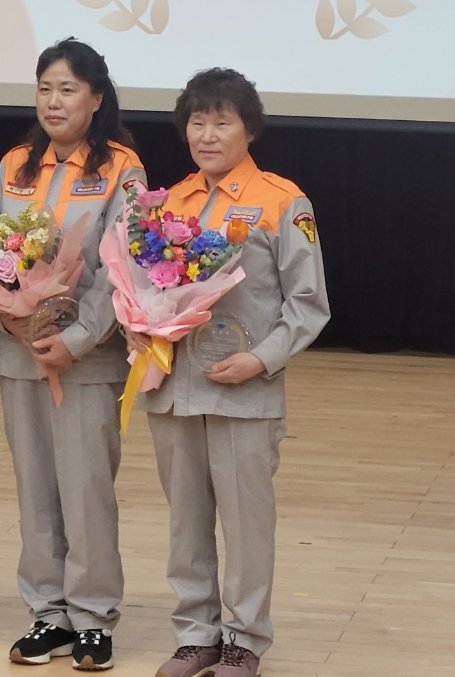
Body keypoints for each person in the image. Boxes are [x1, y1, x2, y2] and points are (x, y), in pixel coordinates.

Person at [134, 69, 329, 677]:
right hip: (175, 389)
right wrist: (138, 325)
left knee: (246, 523)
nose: (207, 134)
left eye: (222, 122)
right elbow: (142, 288)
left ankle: (245, 639)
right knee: (185, 521)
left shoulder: (283, 200)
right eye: (197, 122)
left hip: (246, 390)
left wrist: (261, 359)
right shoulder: (167, 202)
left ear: (250, 129)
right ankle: (196, 634)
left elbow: (308, 304)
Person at [0, 39, 146, 672]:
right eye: (45, 88)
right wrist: (7, 317)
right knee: (35, 490)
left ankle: (94, 618)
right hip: (20, 355)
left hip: (87, 360)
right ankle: (48, 613)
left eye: (68, 89)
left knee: (85, 490)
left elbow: (123, 270)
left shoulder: (122, 169)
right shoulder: (15, 164)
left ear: (96, 98)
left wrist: (75, 340)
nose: (54, 101)